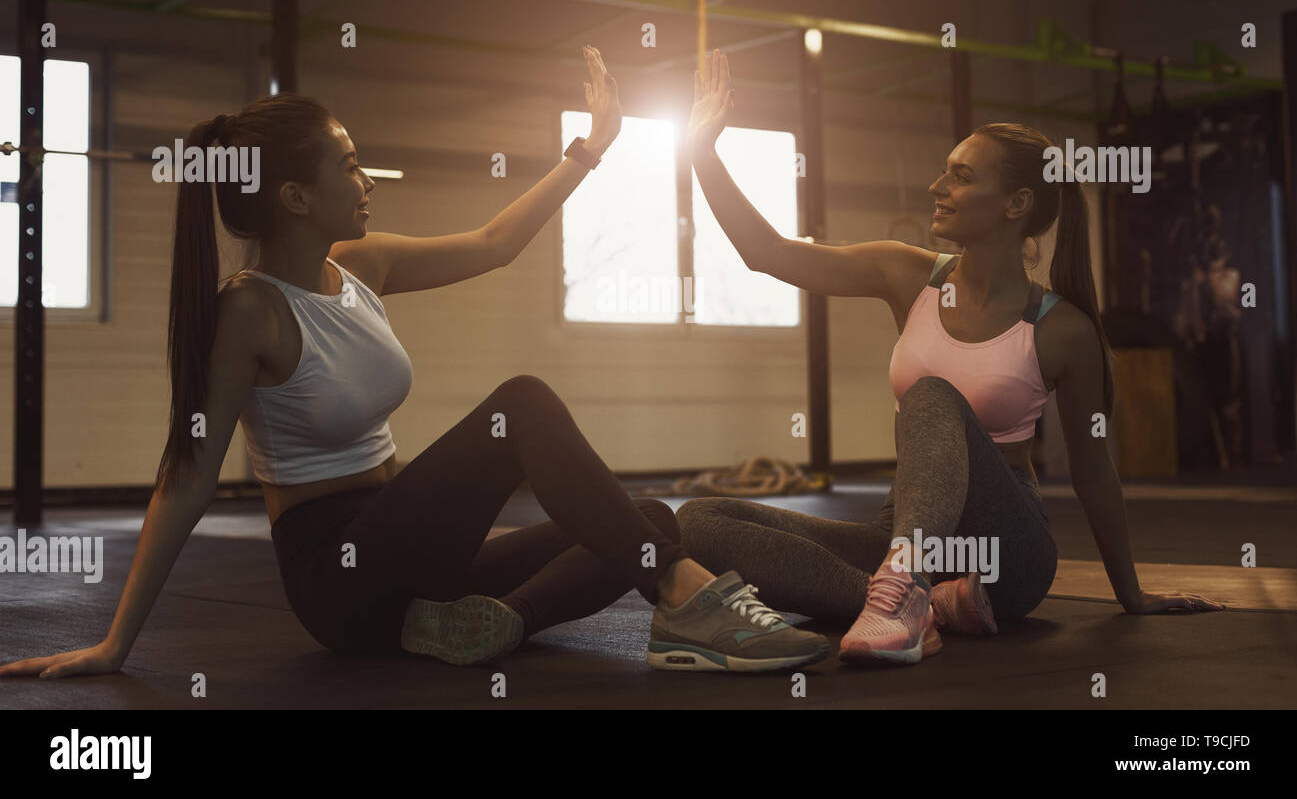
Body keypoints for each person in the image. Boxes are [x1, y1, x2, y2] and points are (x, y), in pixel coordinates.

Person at [0, 46, 829, 680]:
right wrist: (115, 642)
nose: (367, 179)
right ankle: (684, 596)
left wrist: (591, 149)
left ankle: (500, 619)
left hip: (413, 557)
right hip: (340, 579)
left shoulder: (362, 264)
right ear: (293, 196)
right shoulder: (248, 310)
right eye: (349, 164)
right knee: (526, 403)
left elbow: (495, 245)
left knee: (649, 514)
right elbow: (183, 480)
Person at [676, 49, 1225, 665]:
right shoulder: (906, 275)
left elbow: (1095, 472)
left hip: (1005, 554)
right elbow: (767, 252)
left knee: (932, 394)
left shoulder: (1062, 329)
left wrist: (1133, 596)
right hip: (902, 535)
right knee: (697, 521)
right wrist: (702, 150)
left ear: (1016, 205)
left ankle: (902, 594)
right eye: (946, 171)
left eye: (961, 176)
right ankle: (916, 600)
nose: (939, 187)